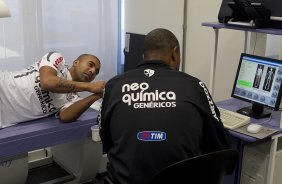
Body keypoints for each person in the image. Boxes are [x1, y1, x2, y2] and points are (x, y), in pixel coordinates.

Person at [98, 28, 231, 184]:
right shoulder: (194, 86)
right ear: (174, 53)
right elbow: (219, 142)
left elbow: (105, 138)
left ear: (143, 55)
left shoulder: (114, 85)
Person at [0, 51, 105, 128]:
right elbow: (47, 82)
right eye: (90, 65)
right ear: (76, 62)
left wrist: (98, 95)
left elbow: (65, 117)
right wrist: (89, 87)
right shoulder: (57, 60)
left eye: (96, 72)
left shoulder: (74, 98)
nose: (92, 71)